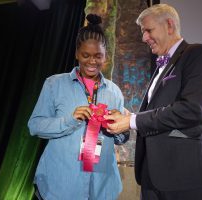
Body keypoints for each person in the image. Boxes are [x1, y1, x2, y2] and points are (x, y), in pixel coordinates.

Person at [105, 3, 202, 200]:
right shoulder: (163, 63)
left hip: (185, 178)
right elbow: (159, 111)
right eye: (143, 32)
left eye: (148, 30)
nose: (144, 38)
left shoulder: (198, 54)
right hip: (152, 176)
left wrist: (133, 121)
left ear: (169, 25)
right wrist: (129, 116)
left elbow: (191, 109)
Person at [28, 14, 129, 200]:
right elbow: (34, 126)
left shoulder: (114, 91)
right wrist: (70, 120)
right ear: (76, 53)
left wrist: (117, 128)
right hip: (60, 186)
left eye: (98, 56)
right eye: (86, 55)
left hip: (101, 187)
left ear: (105, 56)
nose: (92, 61)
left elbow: (122, 137)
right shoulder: (53, 84)